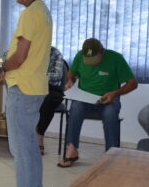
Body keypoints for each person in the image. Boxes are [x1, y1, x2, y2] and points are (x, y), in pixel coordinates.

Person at [0, 0, 51, 187]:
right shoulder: (41, 10)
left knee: (21, 147)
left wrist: (3, 67)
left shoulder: (30, 13)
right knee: (28, 144)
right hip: (33, 86)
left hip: (24, 86)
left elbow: (21, 55)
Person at [58, 38, 138, 168]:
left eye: (95, 59)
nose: (92, 63)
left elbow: (133, 83)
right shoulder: (80, 56)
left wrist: (114, 94)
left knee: (110, 113)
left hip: (108, 99)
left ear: (102, 51)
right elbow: (71, 74)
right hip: (85, 99)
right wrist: (70, 81)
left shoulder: (116, 58)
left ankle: (111, 154)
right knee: (76, 106)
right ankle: (72, 149)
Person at [35, 46, 66, 154]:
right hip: (33, 87)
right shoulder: (29, 50)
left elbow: (57, 76)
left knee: (48, 101)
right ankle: (24, 138)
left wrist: (39, 76)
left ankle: (39, 135)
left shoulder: (55, 53)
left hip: (52, 88)